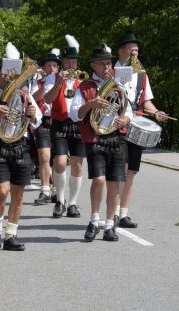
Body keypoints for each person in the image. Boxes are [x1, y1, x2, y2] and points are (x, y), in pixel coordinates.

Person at [0, 44, 42, 252]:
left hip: (20, 145)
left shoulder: (24, 94)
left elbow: (37, 121)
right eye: (6, 73)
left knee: (18, 193)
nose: (11, 77)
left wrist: (32, 113)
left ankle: (10, 235)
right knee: (2, 191)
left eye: (13, 73)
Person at [70, 45, 133, 242]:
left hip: (116, 136)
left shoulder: (119, 84)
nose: (107, 67)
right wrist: (92, 104)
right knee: (98, 180)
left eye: (108, 63)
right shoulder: (85, 86)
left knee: (115, 182)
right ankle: (94, 220)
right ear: (93, 66)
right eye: (103, 63)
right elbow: (74, 114)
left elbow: (128, 109)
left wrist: (126, 120)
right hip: (95, 137)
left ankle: (109, 225)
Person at [114, 33, 167, 228]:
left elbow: (146, 102)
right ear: (121, 51)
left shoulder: (142, 75)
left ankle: (124, 213)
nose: (136, 53)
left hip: (136, 124)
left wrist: (156, 112)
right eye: (132, 50)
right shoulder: (111, 71)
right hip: (116, 125)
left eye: (137, 50)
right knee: (117, 169)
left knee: (131, 171)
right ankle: (113, 211)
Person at [44, 38, 87, 218]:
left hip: (78, 124)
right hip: (60, 123)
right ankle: (60, 200)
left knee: (77, 164)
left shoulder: (84, 79)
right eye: (68, 62)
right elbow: (47, 100)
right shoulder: (53, 78)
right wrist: (59, 83)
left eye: (73, 62)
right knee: (60, 162)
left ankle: (73, 203)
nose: (71, 65)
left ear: (77, 63)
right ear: (63, 63)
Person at [32, 49, 61, 205]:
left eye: (54, 66)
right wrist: (44, 88)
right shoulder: (37, 83)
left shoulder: (63, 82)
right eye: (48, 66)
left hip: (58, 121)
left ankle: (56, 190)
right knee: (44, 156)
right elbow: (31, 99)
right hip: (43, 121)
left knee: (58, 159)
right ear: (43, 68)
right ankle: (45, 190)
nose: (51, 69)